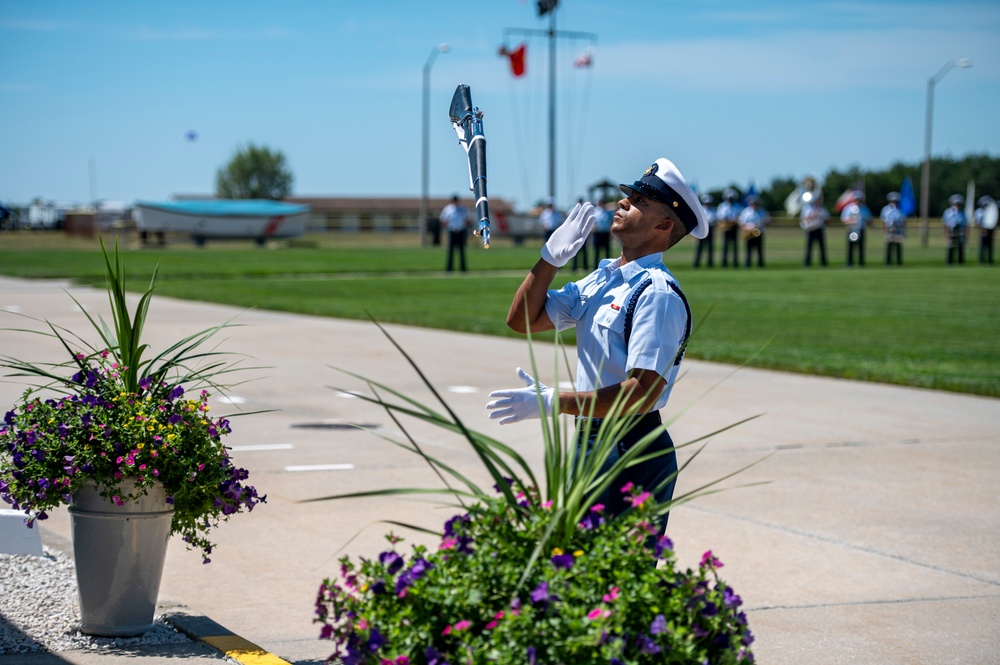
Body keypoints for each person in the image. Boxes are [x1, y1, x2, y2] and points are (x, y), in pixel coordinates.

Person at [486, 157, 709, 531]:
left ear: (664, 224)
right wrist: (548, 260)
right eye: (629, 195)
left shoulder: (656, 293)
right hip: (590, 439)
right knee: (577, 570)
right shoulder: (603, 279)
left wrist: (555, 402)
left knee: (616, 580)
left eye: (639, 200)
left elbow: (642, 394)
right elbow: (523, 320)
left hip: (630, 447)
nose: (623, 202)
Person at [840, 191, 872, 267]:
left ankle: (861, 263)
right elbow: (844, 219)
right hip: (851, 229)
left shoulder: (864, 208)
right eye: (856, 199)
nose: (857, 201)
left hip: (860, 229)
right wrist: (851, 221)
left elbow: (869, 219)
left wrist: (866, 222)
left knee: (861, 247)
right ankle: (849, 263)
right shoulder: (848, 208)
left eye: (859, 199)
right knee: (850, 247)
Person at [439, 195, 471, 272]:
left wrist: (466, 227)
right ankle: (449, 269)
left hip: (461, 231)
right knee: (450, 251)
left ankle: (463, 269)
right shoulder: (448, 209)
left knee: (462, 250)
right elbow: (442, 219)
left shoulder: (463, 208)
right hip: (452, 231)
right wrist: (447, 227)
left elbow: (468, 219)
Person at [738, 194, 768, 268]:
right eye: (753, 203)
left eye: (755, 203)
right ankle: (747, 264)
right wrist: (749, 227)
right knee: (748, 250)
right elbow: (741, 223)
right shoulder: (745, 212)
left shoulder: (762, 211)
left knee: (760, 250)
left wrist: (759, 225)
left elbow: (766, 221)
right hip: (749, 233)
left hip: (759, 232)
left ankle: (760, 265)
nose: (754, 205)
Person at [800, 194, 829, 267]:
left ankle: (824, 263)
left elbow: (827, 219)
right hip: (811, 229)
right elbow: (804, 218)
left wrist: (822, 218)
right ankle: (807, 263)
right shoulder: (808, 208)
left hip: (819, 228)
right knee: (809, 247)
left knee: (822, 247)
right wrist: (813, 215)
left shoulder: (823, 209)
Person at [716, 188, 742, 267]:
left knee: (735, 246)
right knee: (725, 246)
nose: (730, 199)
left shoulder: (737, 206)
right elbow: (719, 216)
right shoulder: (722, 206)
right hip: (726, 227)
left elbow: (740, 216)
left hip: (734, 227)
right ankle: (724, 263)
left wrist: (735, 220)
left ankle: (735, 263)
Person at [880, 192, 906, 266]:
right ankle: (888, 262)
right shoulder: (885, 210)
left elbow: (903, 221)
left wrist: (903, 232)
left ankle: (899, 262)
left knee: (898, 247)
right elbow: (884, 221)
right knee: (889, 247)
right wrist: (884, 232)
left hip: (898, 230)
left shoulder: (900, 210)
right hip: (889, 230)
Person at [692, 193, 716, 268]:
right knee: (700, 247)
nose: (708, 204)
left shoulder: (713, 210)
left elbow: (715, 219)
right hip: (702, 229)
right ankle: (696, 264)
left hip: (710, 229)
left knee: (710, 247)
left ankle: (710, 264)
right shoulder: (701, 209)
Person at [942, 194, 967, 265]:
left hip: (960, 231)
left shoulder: (962, 213)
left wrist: (965, 235)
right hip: (951, 231)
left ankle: (960, 262)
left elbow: (964, 224)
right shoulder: (948, 212)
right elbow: (945, 224)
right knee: (950, 247)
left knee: (960, 247)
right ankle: (949, 262)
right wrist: (946, 234)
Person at [571, 197, 592, 272]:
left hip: (583, 232)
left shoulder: (585, 211)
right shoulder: (572, 210)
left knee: (584, 250)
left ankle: (585, 267)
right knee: (574, 250)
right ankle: (574, 267)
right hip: (575, 233)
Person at [974, 195, 996, 264]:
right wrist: (983, 230)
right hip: (983, 231)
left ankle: (990, 260)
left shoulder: (990, 210)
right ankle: (982, 260)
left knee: (990, 246)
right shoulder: (979, 211)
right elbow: (978, 222)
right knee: (982, 246)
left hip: (990, 230)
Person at [592, 198, 614, 262]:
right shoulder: (596, 211)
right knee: (596, 250)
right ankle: (595, 265)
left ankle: (608, 264)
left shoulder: (608, 212)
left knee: (607, 250)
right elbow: (593, 221)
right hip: (597, 232)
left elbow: (611, 222)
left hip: (605, 233)